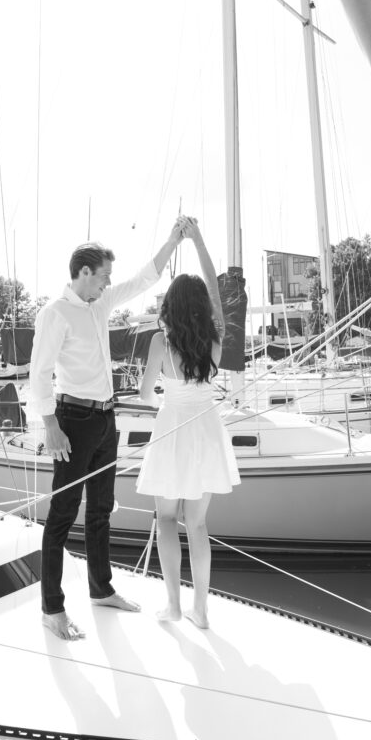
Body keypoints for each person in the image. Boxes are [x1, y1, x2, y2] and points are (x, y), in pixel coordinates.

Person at [29, 219, 185, 641]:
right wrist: (50, 426)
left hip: (104, 420)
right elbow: (39, 375)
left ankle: (101, 589)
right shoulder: (55, 313)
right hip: (72, 422)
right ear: (84, 273)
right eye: (103, 277)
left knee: (101, 509)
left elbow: (143, 279)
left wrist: (172, 239)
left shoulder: (100, 303)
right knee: (62, 516)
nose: (107, 284)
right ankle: (52, 609)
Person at [136, 218, 240, 629]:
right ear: (200, 306)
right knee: (197, 524)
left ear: (170, 306)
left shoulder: (161, 342)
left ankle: (174, 606)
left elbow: (146, 395)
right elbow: (215, 287)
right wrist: (197, 239)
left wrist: (164, 394)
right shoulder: (215, 337)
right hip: (207, 429)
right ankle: (201, 609)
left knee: (165, 519)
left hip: (173, 428)